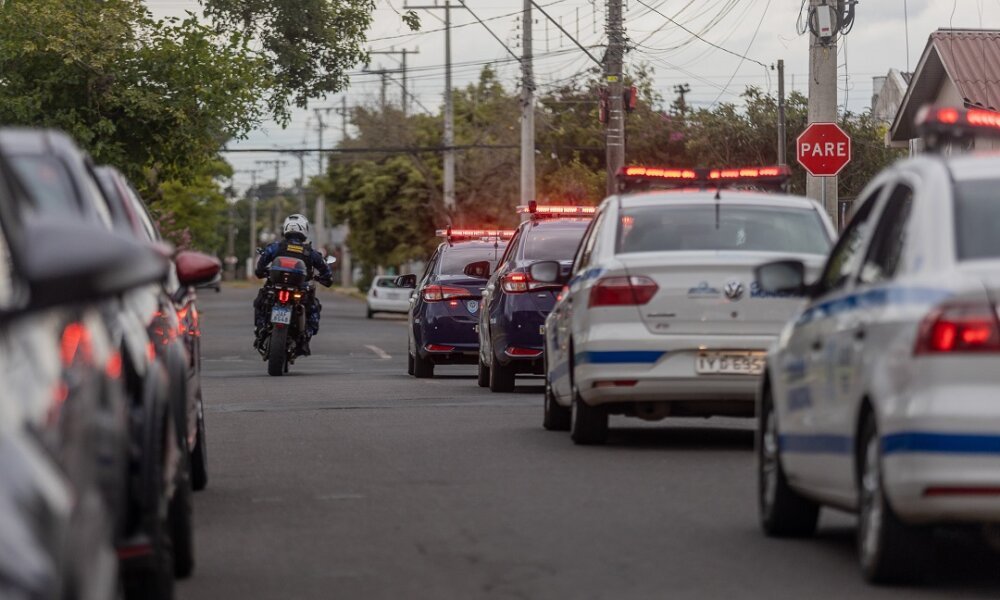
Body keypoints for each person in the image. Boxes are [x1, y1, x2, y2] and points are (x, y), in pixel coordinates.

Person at [253, 214, 334, 355]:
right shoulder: (311, 253)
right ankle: (305, 336)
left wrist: (261, 272)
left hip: (274, 287)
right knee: (314, 308)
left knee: (260, 302)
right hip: (300, 291)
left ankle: (260, 328)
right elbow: (326, 271)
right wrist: (326, 279)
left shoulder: (276, 247)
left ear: (285, 228)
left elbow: (262, 262)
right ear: (304, 230)